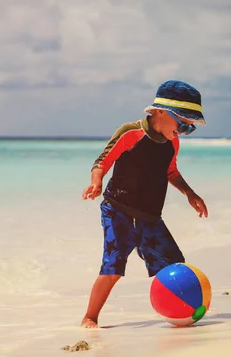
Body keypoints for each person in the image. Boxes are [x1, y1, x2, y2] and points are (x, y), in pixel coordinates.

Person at [80, 80, 209, 328]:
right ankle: (90, 316)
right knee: (113, 267)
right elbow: (102, 161)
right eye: (182, 124)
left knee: (174, 265)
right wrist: (96, 183)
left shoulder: (172, 143)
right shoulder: (131, 133)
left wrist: (190, 194)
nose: (183, 131)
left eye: (189, 128)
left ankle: (179, 310)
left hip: (150, 216)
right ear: (159, 112)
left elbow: (171, 172)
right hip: (118, 210)